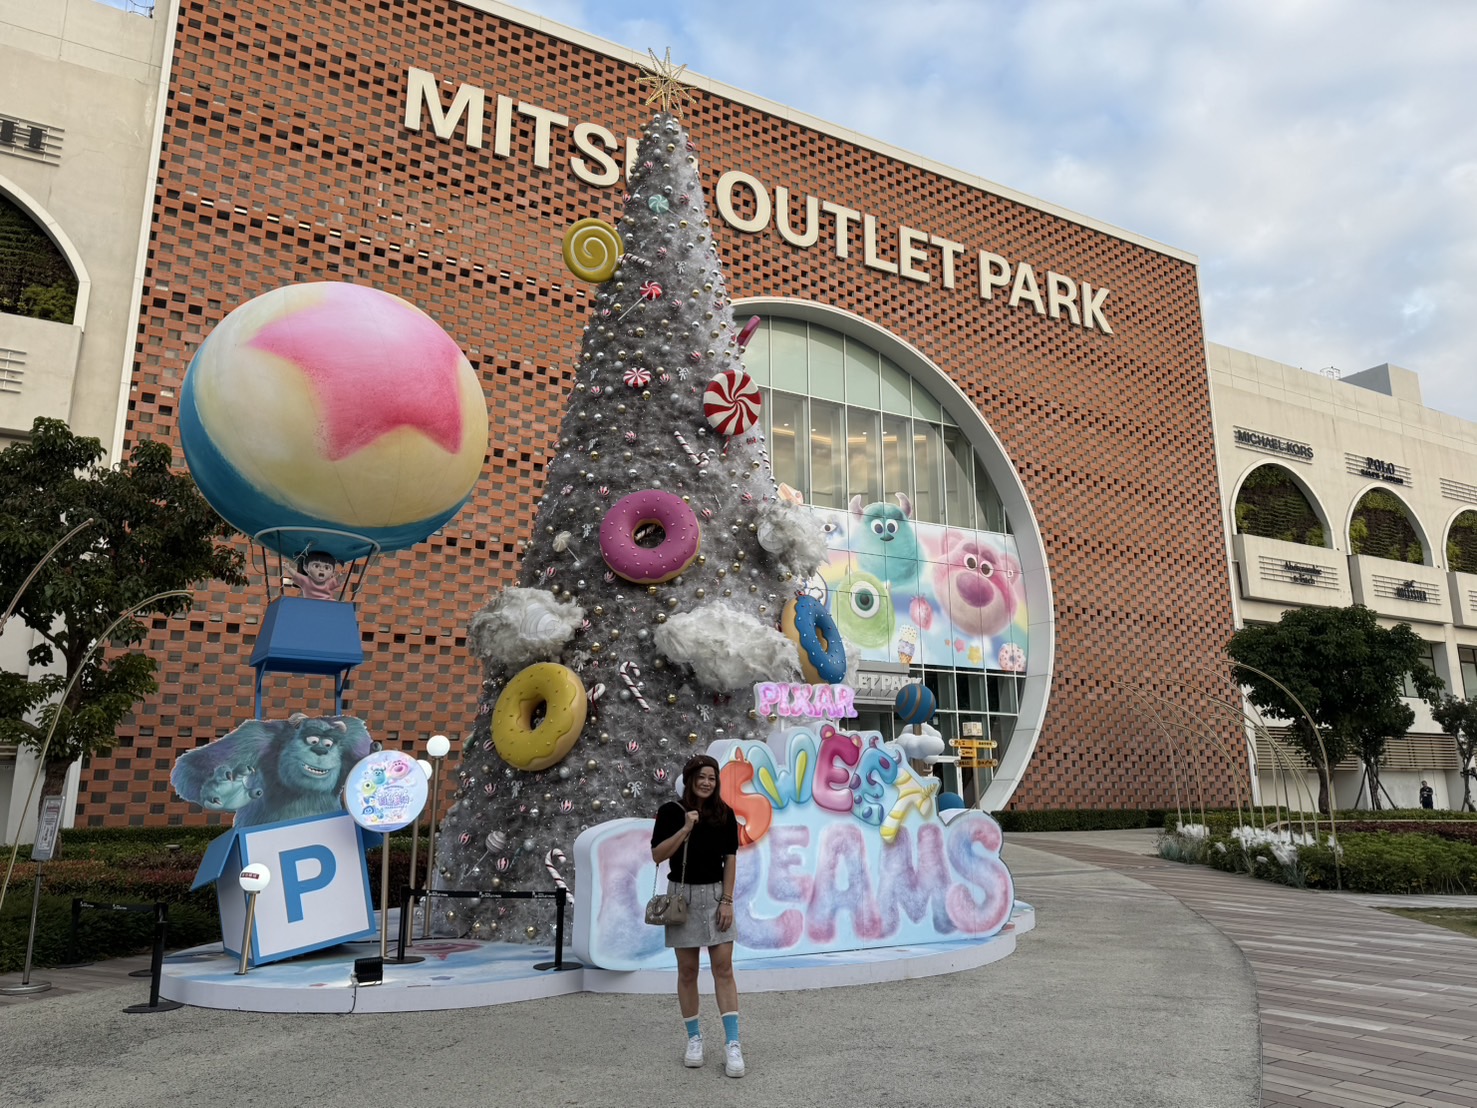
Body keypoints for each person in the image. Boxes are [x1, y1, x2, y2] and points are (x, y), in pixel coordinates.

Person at [650, 754, 744, 1078]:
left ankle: (733, 1044)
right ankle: (694, 1040)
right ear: (690, 778)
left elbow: (730, 859)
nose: (707, 782)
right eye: (701, 777)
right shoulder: (670, 812)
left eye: (712, 778)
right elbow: (657, 855)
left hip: (716, 895)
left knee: (724, 967)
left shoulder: (725, 814)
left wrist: (727, 900)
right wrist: (686, 828)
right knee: (687, 971)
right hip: (682, 897)